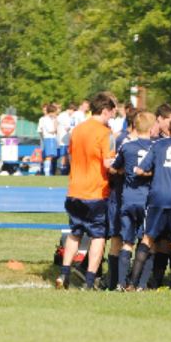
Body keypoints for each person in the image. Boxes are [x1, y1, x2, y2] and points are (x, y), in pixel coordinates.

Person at [55, 91, 117, 290]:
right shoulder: (105, 133)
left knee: (75, 233)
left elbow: (71, 157)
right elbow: (108, 163)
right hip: (96, 191)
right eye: (112, 113)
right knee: (98, 236)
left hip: (74, 189)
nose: (113, 117)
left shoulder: (77, 129)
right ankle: (89, 281)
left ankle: (64, 274)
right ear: (105, 111)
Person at [127, 115, 171, 290]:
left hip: (157, 196)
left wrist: (154, 173)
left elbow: (141, 169)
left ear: (170, 129)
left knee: (148, 238)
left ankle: (132, 282)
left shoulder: (158, 145)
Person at [109, 111, 155, 290]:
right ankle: (141, 284)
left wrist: (121, 171)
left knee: (127, 242)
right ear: (151, 129)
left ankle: (120, 283)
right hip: (146, 199)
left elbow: (114, 169)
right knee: (147, 242)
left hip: (128, 198)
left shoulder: (127, 147)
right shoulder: (155, 147)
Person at [38, 103, 58, 176]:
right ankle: (46, 172)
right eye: (55, 112)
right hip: (49, 138)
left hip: (51, 138)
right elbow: (51, 130)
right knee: (48, 156)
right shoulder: (46, 119)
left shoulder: (50, 119)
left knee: (51, 156)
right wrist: (56, 125)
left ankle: (47, 171)